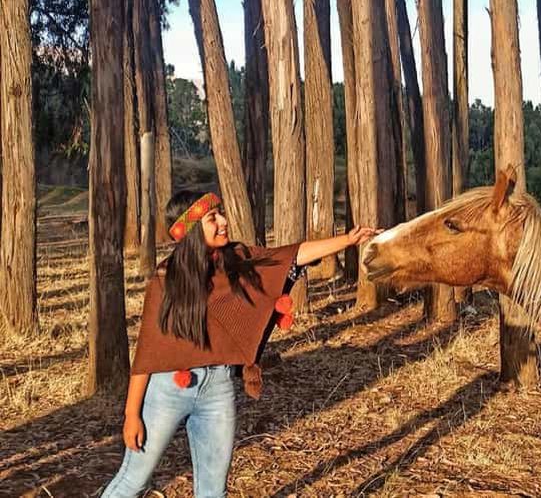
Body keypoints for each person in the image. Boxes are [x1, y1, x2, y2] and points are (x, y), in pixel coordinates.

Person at [102, 190, 379, 498]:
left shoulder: (239, 259)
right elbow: (148, 352)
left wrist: (348, 240)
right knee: (133, 481)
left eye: (220, 213)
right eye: (212, 218)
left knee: (212, 491)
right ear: (192, 230)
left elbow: (292, 254)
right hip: (169, 389)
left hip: (218, 389)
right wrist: (131, 415)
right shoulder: (167, 278)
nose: (223, 221)